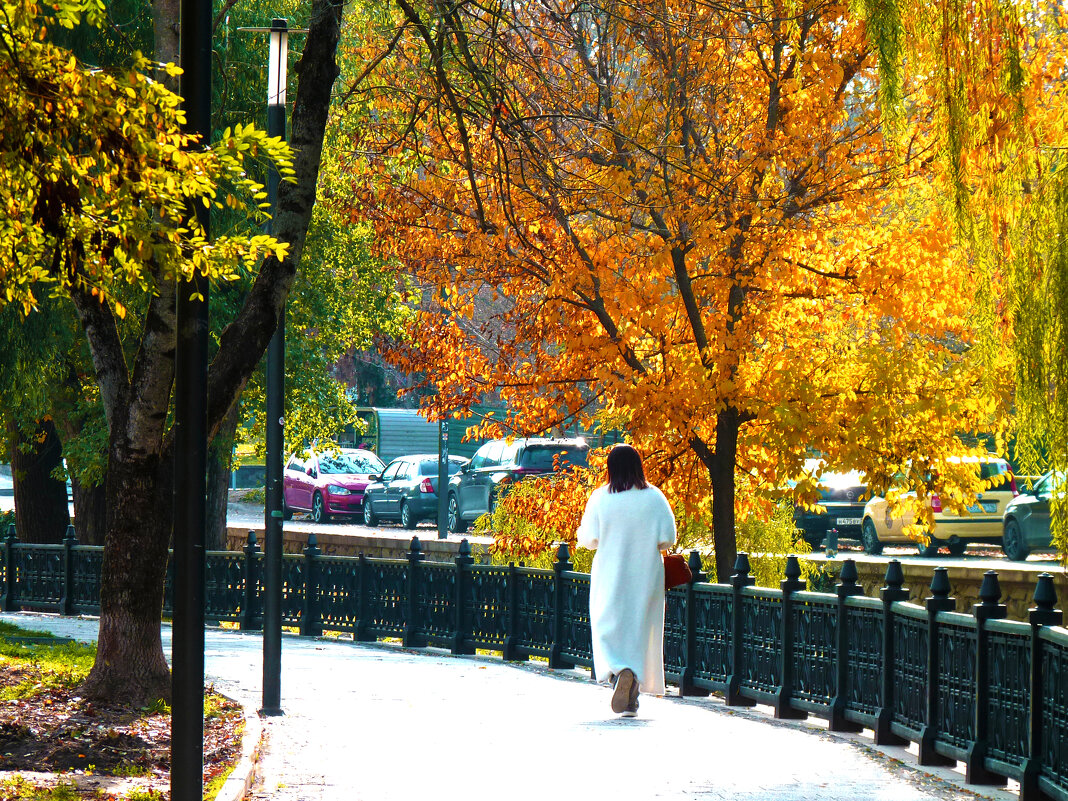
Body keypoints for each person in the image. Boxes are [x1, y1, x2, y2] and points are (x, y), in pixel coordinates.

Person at [576, 443, 677, 717]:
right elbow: (667, 538)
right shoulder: (655, 497)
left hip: (609, 572)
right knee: (641, 628)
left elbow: (589, 539)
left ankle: (618, 672)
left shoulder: (600, 497)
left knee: (606, 624)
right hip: (646, 574)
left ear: (611, 468)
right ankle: (632, 692)